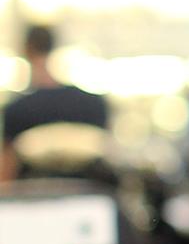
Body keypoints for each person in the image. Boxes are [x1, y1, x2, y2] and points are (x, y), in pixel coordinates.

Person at [1, 24, 111, 182]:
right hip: (91, 198)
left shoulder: (17, 110)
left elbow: (6, 175)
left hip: (32, 200)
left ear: (27, 49)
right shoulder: (94, 105)